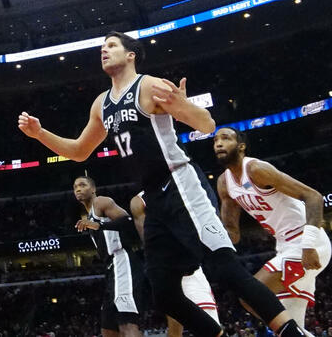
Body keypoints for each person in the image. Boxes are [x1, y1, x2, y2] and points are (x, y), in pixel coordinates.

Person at [17, 31, 307, 337]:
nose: (104, 51)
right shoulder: (101, 104)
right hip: (153, 198)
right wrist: (41, 134)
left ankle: (290, 331)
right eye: (102, 47)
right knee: (164, 293)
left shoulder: (149, 85)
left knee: (224, 267)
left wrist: (183, 107)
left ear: (131, 54)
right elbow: (79, 151)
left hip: (180, 183)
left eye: (112, 46)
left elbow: (206, 124)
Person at [215, 127, 330, 332]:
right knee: (289, 325)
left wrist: (308, 244)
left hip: (307, 240)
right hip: (285, 246)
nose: (218, 143)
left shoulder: (256, 169)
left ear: (241, 146)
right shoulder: (224, 183)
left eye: (225, 138)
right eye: (215, 140)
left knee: (251, 296)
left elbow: (314, 197)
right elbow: (232, 234)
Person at [130, 191, 219, 336]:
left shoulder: (186, 187)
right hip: (167, 268)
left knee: (211, 325)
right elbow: (149, 243)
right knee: (175, 328)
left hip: (191, 269)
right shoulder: (139, 202)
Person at [71, 176, 145, 337]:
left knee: (127, 323)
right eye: (75, 186)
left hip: (121, 260)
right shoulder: (87, 215)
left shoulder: (101, 202)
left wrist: (100, 225)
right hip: (111, 268)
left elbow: (127, 219)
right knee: (108, 328)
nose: (78, 189)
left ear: (93, 189)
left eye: (83, 185)